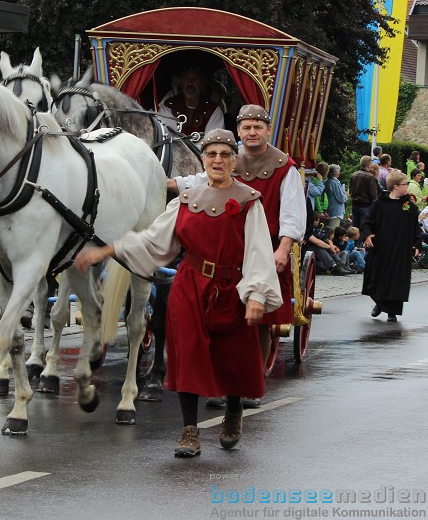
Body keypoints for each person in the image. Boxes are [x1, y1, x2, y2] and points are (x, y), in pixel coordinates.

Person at [75, 129, 281, 458]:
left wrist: (256, 294)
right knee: (187, 354)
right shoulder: (185, 201)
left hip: (231, 287)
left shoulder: (248, 201)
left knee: (231, 356)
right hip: (189, 284)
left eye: (225, 155)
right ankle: (189, 430)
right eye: (211, 154)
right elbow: (153, 240)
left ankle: (232, 409)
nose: (217, 160)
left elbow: (258, 250)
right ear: (202, 159)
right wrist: (107, 250)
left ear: (233, 160)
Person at [170, 105, 305, 408]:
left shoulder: (285, 168)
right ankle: (224, 384)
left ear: (268, 130)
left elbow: (293, 214)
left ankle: (251, 382)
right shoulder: (228, 159)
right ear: (239, 131)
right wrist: (168, 184)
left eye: (258, 126)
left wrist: (282, 250)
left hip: (266, 250)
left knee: (261, 322)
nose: (252, 132)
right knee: (223, 323)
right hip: (228, 253)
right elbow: (197, 183)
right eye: (246, 127)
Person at [360, 171, 421, 322]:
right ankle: (379, 303)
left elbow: (415, 228)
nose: (407, 187)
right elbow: (367, 221)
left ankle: (392, 312)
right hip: (381, 248)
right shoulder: (379, 204)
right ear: (395, 186)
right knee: (376, 278)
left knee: (397, 280)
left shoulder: (410, 208)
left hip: (401, 250)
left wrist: (417, 243)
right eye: (405, 184)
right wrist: (367, 235)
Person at [157, 66, 225, 137]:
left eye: (195, 78)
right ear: (180, 82)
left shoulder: (213, 110)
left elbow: (213, 143)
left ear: (203, 82)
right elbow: (166, 138)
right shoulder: (168, 107)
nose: (190, 83)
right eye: (186, 78)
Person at [349, 155, 378, 229]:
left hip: (355, 204)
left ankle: (354, 241)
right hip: (365, 205)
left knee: (355, 229)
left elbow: (350, 190)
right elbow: (373, 194)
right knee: (363, 229)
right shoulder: (370, 177)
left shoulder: (353, 175)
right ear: (369, 165)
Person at [325, 164, 346, 232]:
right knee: (332, 232)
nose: (339, 173)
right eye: (339, 171)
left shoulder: (326, 182)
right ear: (335, 173)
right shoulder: (335, 183)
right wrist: (346, 195)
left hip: (329, 210)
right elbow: (341, 198)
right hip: (335, 212)